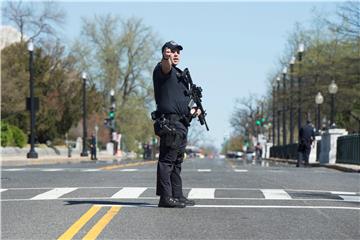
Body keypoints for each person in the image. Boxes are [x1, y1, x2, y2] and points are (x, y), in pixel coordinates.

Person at [152, 40, 201, 208]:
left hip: (181, 123)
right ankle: (166, 198)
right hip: (170, 122)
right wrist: (166, 59)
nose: (175, 54)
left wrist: (194, 111)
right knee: (167, 161)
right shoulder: (163, 69)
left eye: (178, 52)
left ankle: (177, 195)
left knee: (177, 161)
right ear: (166, 53)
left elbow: (183, 101)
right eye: (172, 51)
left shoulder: (180, 75)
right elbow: (166, 66)